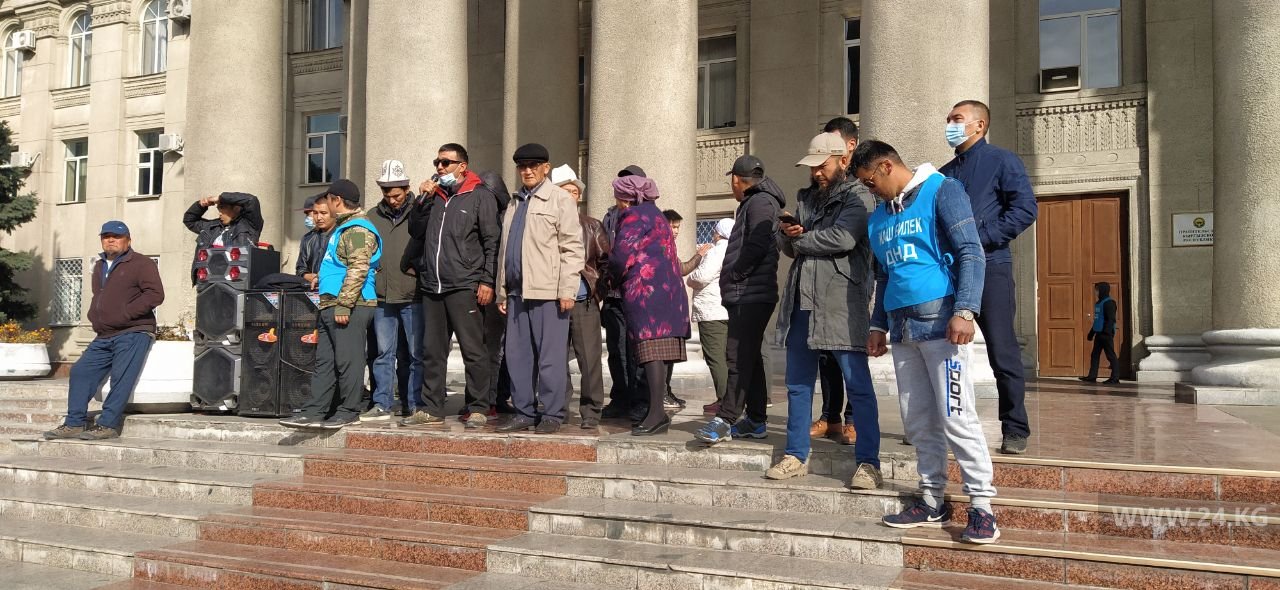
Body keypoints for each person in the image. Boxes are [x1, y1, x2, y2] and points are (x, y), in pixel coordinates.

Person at [853, 139, 999, 544]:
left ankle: (982, 507)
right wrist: (877, 325)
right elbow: (884, 275)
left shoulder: (942, 190)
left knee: (957, 416)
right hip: (902, 331)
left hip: (942, 325)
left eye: (869, 182)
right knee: (917, 420)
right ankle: (932, 499)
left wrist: (965, 309)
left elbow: (970, 252)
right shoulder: (879, 217)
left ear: (886, 166)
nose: (870, 190)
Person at [764, 133, 882, 489]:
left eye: (822, 165)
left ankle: (869, 463)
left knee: (858, 385)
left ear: (843, 161)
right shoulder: (806, 198)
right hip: (803, 300)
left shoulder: (859, 196)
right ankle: (795, 455)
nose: (816, 173)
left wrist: (800, 239)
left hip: (842, 302)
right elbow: (790, 248)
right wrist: (787, 233)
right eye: (812, 167)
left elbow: (843, 238)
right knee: (798, 384)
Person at [940, 99, 1038, 455]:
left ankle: (1015, 428)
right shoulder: (943, 174)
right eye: (948, 119)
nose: (950, 125)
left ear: (979, 125)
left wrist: (979, 239)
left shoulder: (1001, 160)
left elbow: (1025, 209)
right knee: (944, 351)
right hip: (951, 272)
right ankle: (947, 424)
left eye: (957, 119)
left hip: (991, 266)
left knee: (1003, 351)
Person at [402, 144, 501, 428]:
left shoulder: (479, 195)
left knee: (473, 350)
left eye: (446, 162)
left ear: (462, 166)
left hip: (464, 284)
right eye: (437, 162)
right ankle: (432, 407)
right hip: (433, 286)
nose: (440, 167)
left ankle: (479, 406)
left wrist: (487, 280)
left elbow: (492, 242)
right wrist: (421, 200)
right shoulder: (435, 197)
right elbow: (415, 231)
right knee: (432, 351)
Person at [44, 221, 164, 441]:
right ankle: (74, 423)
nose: (110, 240)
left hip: (133, 331)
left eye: (116, 237)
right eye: (106, 236)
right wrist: (95, 315)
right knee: (80, 371)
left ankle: (108, 424)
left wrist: (126, 313)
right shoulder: (99, 265)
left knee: (121, 377)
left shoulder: (142, 263)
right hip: (105, 334)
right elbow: (99, 296)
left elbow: (155, 295)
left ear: (128, 240)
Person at [494, 143, 584, 434]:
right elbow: (505, 250)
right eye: (522, 166)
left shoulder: (560, 199)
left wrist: (567, 289)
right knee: (518, 357)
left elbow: (572, 248)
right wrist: (501, 290)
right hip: (516, 293)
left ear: (546, 168)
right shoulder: (514, 202)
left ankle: (552, 414)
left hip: (549, 294)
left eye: (533, 166)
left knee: (550, 359)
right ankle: (524, 412)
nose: (527, 171)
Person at [694, 154, 783, 445]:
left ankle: (726, 418)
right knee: (750, 357)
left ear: (735, 180)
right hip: (750, 292)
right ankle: (755, 420)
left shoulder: (759, 202)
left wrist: (735, 275)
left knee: (736, 355)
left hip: (750, 293)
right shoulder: (758, 201)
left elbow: (757, 244)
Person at [281, 179, 382, 430]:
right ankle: (315, 410)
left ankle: (349, 410)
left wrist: (345, 305)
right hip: (330, 303)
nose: (324, 207)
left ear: (336, 200)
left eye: (328, 200)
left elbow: (358, 268)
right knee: (324, 361)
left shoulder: (358, 229)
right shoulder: (343, 228)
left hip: (350, 305)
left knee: (348, 360)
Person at [609, 175, 690, 435]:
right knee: (660, 351)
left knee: (650, 350)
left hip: (647, 293)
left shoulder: (633, 216)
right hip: (669, 292)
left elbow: (621, 255)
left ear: (625, 198)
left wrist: (610, 278)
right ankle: (656, 411)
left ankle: (656, 414)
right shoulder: (656, 215)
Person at [810, 117, 867, 444]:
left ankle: (854, 419)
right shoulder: (820, 190)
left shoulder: (860, 188)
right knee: (826, 354)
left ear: (849, 147)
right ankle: (830, 416)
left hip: (851, 284)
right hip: (822, 286)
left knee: (850, 353)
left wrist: (804, 240)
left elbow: (844, 238)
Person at [363, 160, 425, 422]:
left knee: (414, 354)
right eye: (387, 194)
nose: (392, 199)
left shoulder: (420, 211)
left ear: (407, 189)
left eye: (397, 194)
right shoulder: (372, 216)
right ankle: (382, 403)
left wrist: (418, 269)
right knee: (383, 354)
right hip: (382, 296)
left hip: (413, 294)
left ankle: (414, 404)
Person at [551, 164, 609, 429]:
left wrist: (597, 292)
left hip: (583, 301)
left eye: (575, 191)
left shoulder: (592, 225)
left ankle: (591, 411)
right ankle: (558, 408)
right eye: (566, 191)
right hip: (551, 301)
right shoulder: (546, 223)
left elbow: (606, 262)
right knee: (555, 359)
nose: (571, 195)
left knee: (589, 359)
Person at [599, 165, 646, 420]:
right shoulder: (610, 216)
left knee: (638, 351)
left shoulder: (647, 216)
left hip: (638, 294)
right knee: (616, 350)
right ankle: (620, 397)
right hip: (613, 295)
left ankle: (640, 400)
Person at [687, 218, 732, 416]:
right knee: (727, 357)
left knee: (715, 357)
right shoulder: (735, 250)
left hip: (712, 310)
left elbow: (701, 277)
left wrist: (690, 277)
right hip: (728, 309)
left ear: (718, 233)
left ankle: (725, 401)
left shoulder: (717, 250)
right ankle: (730, 399)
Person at [479, 170, 515, 414]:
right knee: (486, 348)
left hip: (501, 289)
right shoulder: (482, 216)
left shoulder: (507, 218)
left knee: (503, 349)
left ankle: (497, 397)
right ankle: (486, 398)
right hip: (482, 288)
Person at [183, 191, 263, 285]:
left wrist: (221, 198)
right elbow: (189, 220)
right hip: (208, 282)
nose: (219, 213)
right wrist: (201, 205)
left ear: (236, 208)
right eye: (218, 209)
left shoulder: (249, 225)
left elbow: (251, 200)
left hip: (236, 283)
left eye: (222, 208)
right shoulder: (212, 227)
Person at [1081, 282, 1120, 384]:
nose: (1096, 292)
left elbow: (1111, 319)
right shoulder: (1098, 303)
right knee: (1094, 355)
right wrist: (1091, 333)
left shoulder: (1110, 303)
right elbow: (1097, 320)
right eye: (1096, 290)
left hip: (1106, 334)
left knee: (1110, 355)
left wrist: (1107, 333)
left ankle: (1115, 378)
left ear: (1103, 290)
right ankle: (1092, 376)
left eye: (1097, 290)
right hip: (1099, 334)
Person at [297, 195, 335, 285]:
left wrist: (321, 277)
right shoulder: (307, 239)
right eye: (315, 213)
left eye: (323, 213)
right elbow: (300, 268)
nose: (318, 217)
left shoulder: (342, 235)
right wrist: (307, 276)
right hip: (311, 289)